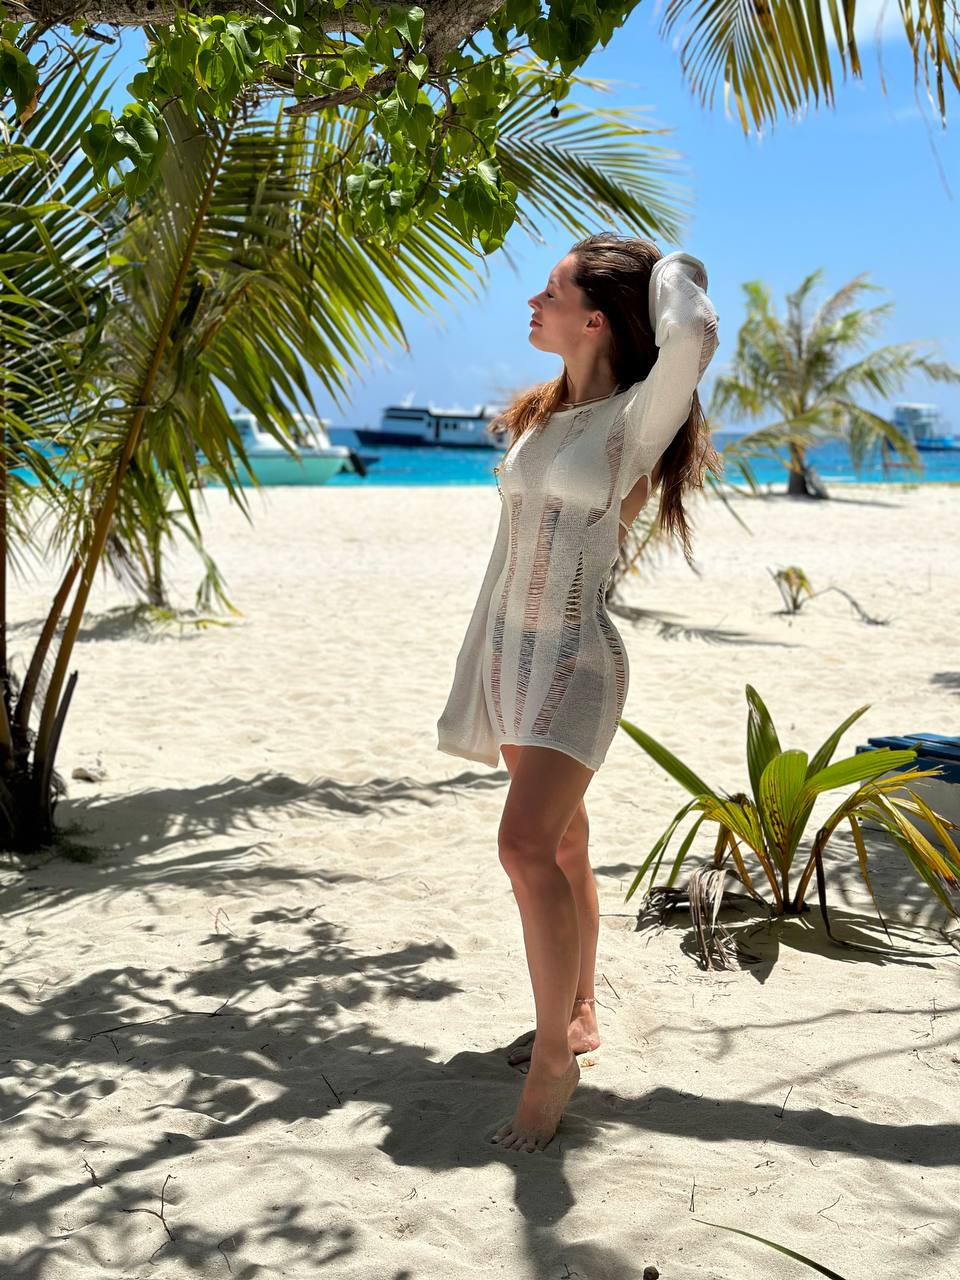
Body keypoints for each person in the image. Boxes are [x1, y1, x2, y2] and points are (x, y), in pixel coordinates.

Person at [436, 233, 721, 1154]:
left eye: (551, 290)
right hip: (509, 662)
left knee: (522, 847)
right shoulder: (543, 416)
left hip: (576, 665)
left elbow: (693, 330)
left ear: (596, 319)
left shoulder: (637, 418)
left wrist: (665, 264)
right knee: (562, 844)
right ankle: (582, 1010)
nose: (532, 302)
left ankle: (554, 1059)